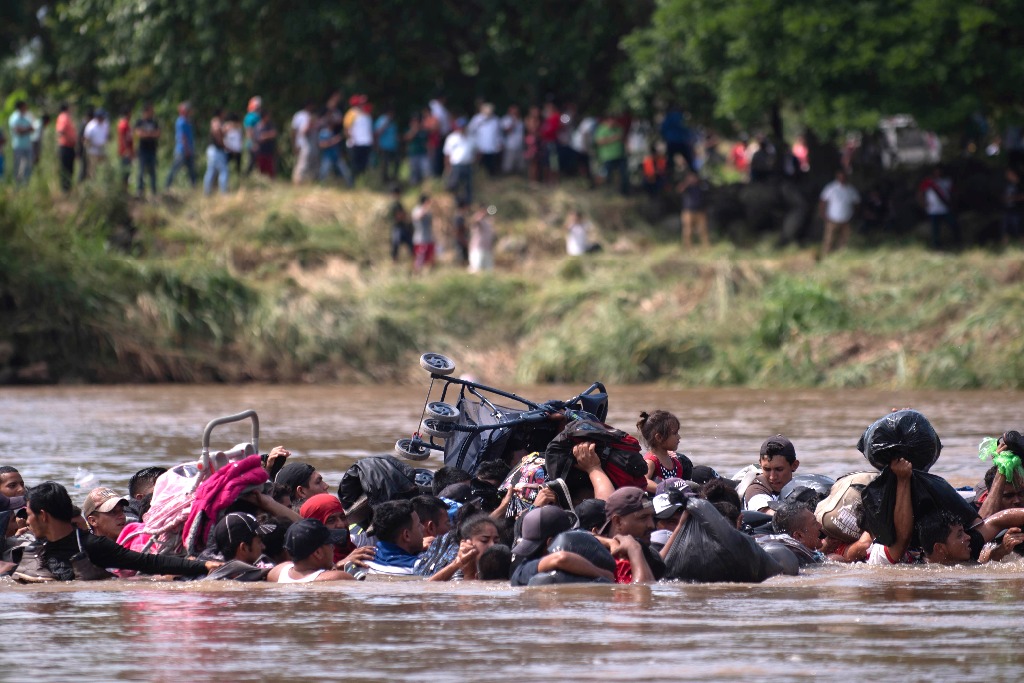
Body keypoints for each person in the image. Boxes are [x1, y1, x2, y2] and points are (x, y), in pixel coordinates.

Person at [14, 482, 216, 582]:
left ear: (43, 515)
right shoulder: (32, 549)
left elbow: (147, 562)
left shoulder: (92, 545)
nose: (26, 520)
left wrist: (203, 565)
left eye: (29, 514)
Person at [510, 506, 612, 586]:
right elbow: (561, 559)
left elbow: (582, 533)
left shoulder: (584, 556)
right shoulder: (524, 569)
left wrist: (609, 542)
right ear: (550, 542)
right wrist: (602, 574)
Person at [599, 486, 661, 584]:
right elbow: (642, 594)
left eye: (651, 517)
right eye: (643, 518)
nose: (652, 525)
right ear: (618, 521)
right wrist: (633, 548)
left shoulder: (650, 554)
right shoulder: (600, 557)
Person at [266, 518, 354, 583]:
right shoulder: (337, 578)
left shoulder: (276, 572)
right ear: (318, 553)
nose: (333, 548)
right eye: (330, 544)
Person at [429, 513, 500, 581]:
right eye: (484, 540)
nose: (492, 545)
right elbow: (428, 589)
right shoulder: (457, 572)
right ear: (466, 543)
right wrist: (463, 568)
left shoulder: (502, 567)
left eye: (496, 541)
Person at [364, 500, 425, 575]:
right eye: (418, 525)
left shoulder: (361, 560)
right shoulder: (417, 568)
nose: (423, 528)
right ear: (406, 535)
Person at [637, 410, 692, 493]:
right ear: (659, 437)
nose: (679, 437)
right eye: (675, 433)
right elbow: (644, 481)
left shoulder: (675, 461)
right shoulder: (651, 461)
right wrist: (666, 490)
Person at [743, 435, 800, 514]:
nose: (772, 477)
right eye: (767, 469)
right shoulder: (755, 490)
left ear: (794, 465)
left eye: (779, 469)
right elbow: (768, 513)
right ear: (760, 464)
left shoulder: (801, 486)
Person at [818, 169, 860, 258]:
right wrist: (823, 214)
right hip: (833, 218)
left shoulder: (851, 189)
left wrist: (854, 215)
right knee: (829, 239)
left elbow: (856, 203)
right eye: (840, 176)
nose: (842, 178)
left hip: (846, 218)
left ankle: (841, 256)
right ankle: (826, 256)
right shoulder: (831, 188)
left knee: (844, 239)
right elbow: (823, 201)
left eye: (844, 177)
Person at [917, 165, 959, 249]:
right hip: (933, 210)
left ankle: (957, 242)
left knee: (954, 225)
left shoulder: (947, 181)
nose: (938, 173)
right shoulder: (928, 182)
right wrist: (923, 204)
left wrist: (953, 204)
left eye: (939, 171)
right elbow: (920, 194)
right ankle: (936, 245)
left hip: (945, 209)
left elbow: (954, 193)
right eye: (936, 171)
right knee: (935, 230)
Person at [165, 102, 197, 189]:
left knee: (192, 170)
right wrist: (187, 150)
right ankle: (167, 186)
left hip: (188, 150)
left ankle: (194, 187)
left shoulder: (188, 121)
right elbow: (183, 137)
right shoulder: (181, 122)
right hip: (182, 150)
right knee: (175, 168)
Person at [594, 115, 628, 195]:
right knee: (606, 176)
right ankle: (606, 192)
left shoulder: (619, 128)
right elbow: (598, 142)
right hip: (607, 157)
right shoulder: (601, 129)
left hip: (620, 155)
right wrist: (612, 139)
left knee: (624, 175)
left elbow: (623, 139)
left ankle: (624, 192)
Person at [444, 118, 475, 205]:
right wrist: (447, 166)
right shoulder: (452, 138)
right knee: (454, 184)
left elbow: (476, 152)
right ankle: (456, 201)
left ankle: (468, 203)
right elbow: (447, 154)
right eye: (461, 127)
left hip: (468, 165)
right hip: (456, 165)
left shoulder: (471, 138)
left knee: (468, 185)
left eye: (464, 127)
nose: (462, 128)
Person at [318, 110, 353, 186]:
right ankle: (321, 186)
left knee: (346, 172)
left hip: (336, 155)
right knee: (324, 173)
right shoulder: (323, 132)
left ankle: (350, 185)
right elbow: (321, 145)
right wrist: (333, 141)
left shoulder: (333, 132)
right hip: (327, 156)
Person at [134, 103, 160, 197]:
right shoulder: (139, 122)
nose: (152, 113)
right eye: (151, 111)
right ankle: (139, 191)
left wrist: (146, 134)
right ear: (146, 111)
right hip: (142, 150)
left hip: (152, 150)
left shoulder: (154, 122)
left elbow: (158, 134)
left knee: (152, 172)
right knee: (141, 171)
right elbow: (139, 134)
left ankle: (153, 191)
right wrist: (151, 134)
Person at [469, 103, 502, 177]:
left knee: (491, 163)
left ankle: (491, 176)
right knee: (479, 162)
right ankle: (478, 176)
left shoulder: (496, 120)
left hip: (492, 146)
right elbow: (471, 130)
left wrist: (499, 143)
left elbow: (498, 133)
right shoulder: (477, 119)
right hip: (480, 146)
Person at [679, 172, 710, 249]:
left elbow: (706, 194)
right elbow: (679, 190)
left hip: (700, 211)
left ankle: (705, 246)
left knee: (703, 229)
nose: (693, 179)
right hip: (688, 212)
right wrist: (687, 183)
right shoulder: (686, 187)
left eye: (694, 177)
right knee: (688, 230)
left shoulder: (701, 186)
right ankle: (688, 246)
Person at [203, 108, 229, 195]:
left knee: (211, 171)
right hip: (216, 150)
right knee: (223, 171)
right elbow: (217, 133)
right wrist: (223, 144)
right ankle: (223, 192)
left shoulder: (217, 122)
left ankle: (207, 192)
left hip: (214, 150)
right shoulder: (216, 121)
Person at [8, 100, 34, 186]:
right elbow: (18, 131)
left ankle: (26, 184)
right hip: (18, 146)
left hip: (28, 145)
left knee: (28, 165)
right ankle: (17, 186)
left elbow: (32, 128)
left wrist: (24, 129)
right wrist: (26, 129)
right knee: (18, 166)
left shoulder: (27, 117)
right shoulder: (14, 118)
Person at [291, 101, 317, 184]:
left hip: (311, 144)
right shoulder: (299, 115)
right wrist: (295, 144)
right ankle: (297, 181)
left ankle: (307, 181)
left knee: (310, 164)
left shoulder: (312, 116)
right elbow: (296, 131)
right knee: (302, 164)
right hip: (302, 143)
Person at [348, 98, 374, 180]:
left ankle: (362, 181)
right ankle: (352, 183)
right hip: (356, 144)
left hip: (366, 144)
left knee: (364, 165)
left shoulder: (368, 116)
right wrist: (351, 140)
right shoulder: (352, 114)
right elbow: (347, 129)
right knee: (355, 165)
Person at [82, 109, 111, 180]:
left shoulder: (105, 124)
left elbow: (107, 135)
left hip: (102, 150)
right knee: (92, 170)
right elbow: (86, 141)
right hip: (93, 151)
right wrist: (95, 145)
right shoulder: (91, 126)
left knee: (104, 168)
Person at [375, 106, 400, 184]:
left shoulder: (393, 122)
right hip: (384, 146)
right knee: (385, 164)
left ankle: (393, 178)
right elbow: (377, 133)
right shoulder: (382, 120)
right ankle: (384, 180)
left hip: (393, 147)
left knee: (396, 162)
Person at [55, 103, 77, 192]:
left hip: (69, 147)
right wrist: (70, 139)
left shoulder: (67, 117)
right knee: (66, 169)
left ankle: (67, 188)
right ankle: (65, 189)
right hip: (65, 146)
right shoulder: (63, 117)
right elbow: (61, 131)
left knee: (69, 169)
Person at [411, 194, 435, 273]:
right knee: (420, 259)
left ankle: (427, 273)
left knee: (429, 259)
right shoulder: (417, 209)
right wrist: (424, 209)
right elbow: (417, 217)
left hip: (429, 238)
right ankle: (416, 274)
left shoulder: (429, 211)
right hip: (420, 239)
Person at [389, 186, 414, 262]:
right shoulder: (394, 205)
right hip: (397, 227)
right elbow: (398, 216)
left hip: (402, 227)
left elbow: (403, 215)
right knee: (396, 243)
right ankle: (394, 260)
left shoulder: (398, 204)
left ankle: (412, 259)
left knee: (409, 243)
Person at [404, 113, 431, 185]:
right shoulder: (408, 130)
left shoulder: (423, 131)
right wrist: (414, 130)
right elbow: (407, 138)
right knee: (414, 171)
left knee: (426, 170)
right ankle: (414, 185)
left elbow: (427, 142)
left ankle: (425, 185)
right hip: (413, 153)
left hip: (423, 153)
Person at [468, 205, 495, 273]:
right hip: (477, 249)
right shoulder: (478, 220)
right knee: (475, 270)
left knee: (489, 271)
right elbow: (473, 222)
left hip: (487, 249)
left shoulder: (488, 222)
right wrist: (479, 216)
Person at [500, 105, 525, 176]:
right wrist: (513, 122)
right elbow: (507, 131)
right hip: (510, 146)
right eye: (513, 111)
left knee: (520, 165)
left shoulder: (520, 120)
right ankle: (507, 178)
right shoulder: (505, 119)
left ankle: (518, 178)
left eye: (516, 111)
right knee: (508, 165)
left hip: (520, 145)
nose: (515, 113)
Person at [254, 108, 278, 178]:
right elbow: (259, 138)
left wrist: (265, 135)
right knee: (262, 170)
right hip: (261, 151)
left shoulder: (270, 125)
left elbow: (274, 134)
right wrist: (268, 135)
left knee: (271, 170)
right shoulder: (258, 126)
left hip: (270, 151)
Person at [242, 96, 261, 176]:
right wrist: (253, 143)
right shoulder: (250, 117)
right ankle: (247, 178)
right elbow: (249, 130)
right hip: (252, 143)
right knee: (251, 162)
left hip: (257, 142)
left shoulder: (257, 116)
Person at [116, 108, 134, 189]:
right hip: (125, 152)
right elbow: (123, 138)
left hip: (127, 151)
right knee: (125, 172)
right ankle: (123, 190)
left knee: (127, 172)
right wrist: (127, 150)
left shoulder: (126, 124)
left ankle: (125, 190)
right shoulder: (123, 124)